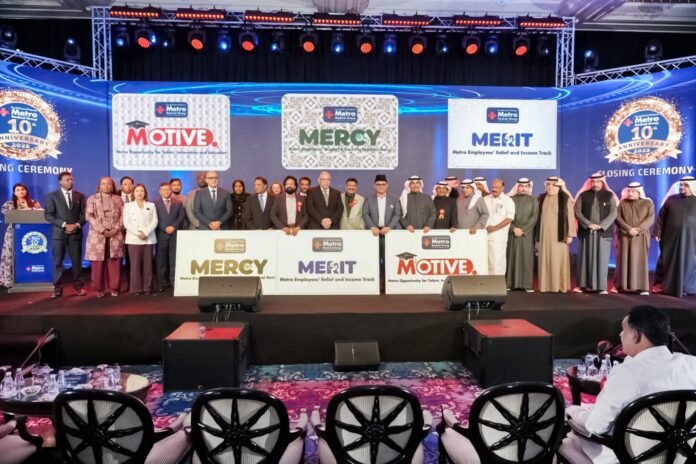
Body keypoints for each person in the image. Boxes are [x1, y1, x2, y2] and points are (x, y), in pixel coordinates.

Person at [560, 306, 696, 464]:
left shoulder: (627, 373)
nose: (620, 334)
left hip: (629, 457)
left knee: (565, 436)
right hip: (683, 455)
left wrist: (572, 411)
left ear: (635, 335)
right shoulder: (692, 364)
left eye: (623, 329)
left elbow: (596, 426)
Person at [574, 173, 619, 294]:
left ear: (602, 183)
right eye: (593, 182)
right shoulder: (583, 195)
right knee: (584, 259)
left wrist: (601, 225)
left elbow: (614, 213)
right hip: (587, 232)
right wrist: (588, 224)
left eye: (598, 182)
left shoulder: (609, 195)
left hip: (603, 233)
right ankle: (582, 285)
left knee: (602, 260)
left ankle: (601, 287)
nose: (595, 184)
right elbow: (577, 211)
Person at [652, 176, 696, 297]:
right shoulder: (671, 199)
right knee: (667, 260)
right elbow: (661, 217)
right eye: (681, 185)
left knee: (690, 262)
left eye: (685, 185)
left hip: (691, 239)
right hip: (671, 238)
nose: (682, 187)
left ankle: (688, 287)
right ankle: (665, 286)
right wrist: (657, 232)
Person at [44, 172, 86, 298]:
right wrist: (64, 225)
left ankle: (79, 287)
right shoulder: (52, 196)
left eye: (71, 179)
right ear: (60, 182)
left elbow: (85, 214)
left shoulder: (80, 196)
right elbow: (48, 215)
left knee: (77, 262)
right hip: (59, 234)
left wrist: (76, 225)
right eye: (67, 180)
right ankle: (57, 288)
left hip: (75, 233)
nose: (70, 182)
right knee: (58, 262)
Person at [85, 177, 124, 298]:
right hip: (97, 234)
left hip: (115, 234)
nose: (106, 186)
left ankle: (114, 288)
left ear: (112, 186)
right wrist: (102, 229)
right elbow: (89, 216)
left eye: (109, 184)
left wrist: (116, 229)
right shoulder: (92, 199)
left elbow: (123, 216)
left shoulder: (118, 199)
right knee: (97, 263)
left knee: (114, 261)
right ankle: (99, 288)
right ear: (99, 186)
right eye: (103, 184)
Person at [615, 182, 654, 295]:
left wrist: (638, 229)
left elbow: (650, 219)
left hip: (640, 236)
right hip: (625, 235)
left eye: (633, 191)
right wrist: (628, 229)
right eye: (629, 191)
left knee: (640, 260)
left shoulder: (648, 203)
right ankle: (622, 286)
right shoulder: (622, 203)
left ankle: (642, 287)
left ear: (639, 192)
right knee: (623, 260)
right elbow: (617, 218)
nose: (630, 193)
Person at [537, 177, 576, 293]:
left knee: (557, 260)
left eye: (554, 185)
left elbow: (570, 217)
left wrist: (570, 234)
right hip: (544, 235)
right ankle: (545, 286)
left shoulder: (564, 198)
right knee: (545, 260)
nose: (550, 187)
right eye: (548, 184)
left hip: (559, 236)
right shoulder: (541, 197)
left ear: (559, 186)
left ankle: (559, 286)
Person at [1, 183, 42, 288]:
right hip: (13, 232)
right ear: (14, 192)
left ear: (26, 191)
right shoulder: (8, 204)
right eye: (18, 190)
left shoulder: (34, 203)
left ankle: (30, 278)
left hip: (29, 233)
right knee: (10, 255)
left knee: (29, 255)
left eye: (23, 189)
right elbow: (7, 214)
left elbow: (40, 215)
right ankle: (9, 280)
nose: (21, 191)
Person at [123, 184, 157, 295]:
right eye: (137, 191)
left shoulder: (151, 205)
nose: (139, 193)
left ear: (145, 193)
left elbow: (154, 221)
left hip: (148, 238)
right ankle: (136, 289)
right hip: (133, 238)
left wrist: (145, 233)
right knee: (135, 265)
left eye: (142, 191)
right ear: (133, 193)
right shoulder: (128, 206)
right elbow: (126, 222)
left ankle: (148, 288)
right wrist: (138, 233)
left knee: (148, 265)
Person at [506, 178, 539, 292]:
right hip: (512, 234)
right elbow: (505, 216)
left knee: (526, 259)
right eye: (521, 186)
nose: (523, 188)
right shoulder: (510, 199)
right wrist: (513, 228)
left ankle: (526, 284)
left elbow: (534, 218)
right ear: (517, 187)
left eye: (526, 186)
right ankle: (510, 283)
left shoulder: (533, 200)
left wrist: (523, 230)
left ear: (529, 187)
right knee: (511, 257)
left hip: (527, 235)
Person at [154, 182, 186, 292]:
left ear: (171, 190)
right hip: (161, 235)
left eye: (168, 189)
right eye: (164, 189)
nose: (166, 191)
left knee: (174, 260)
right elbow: (155, 218)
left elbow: (181, 217)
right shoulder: (155, 204)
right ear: (160, 191)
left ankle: (174, 282)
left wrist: (173, 227)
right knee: (161, 261)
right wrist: (164, 228)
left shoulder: (178, 203)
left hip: (174, 234)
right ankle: (162, 283)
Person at [483, 179, 516, 276]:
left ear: (502, 188)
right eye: (493, 187)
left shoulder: (508, 200)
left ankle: (497, 284)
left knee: (496, 264)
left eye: (496, 187)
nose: (494, 189)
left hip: (498, 238)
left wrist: (494, 228)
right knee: (485, 263)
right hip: (483, 236)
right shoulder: (486, 199)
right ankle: (487, 284)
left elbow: (509, 218)